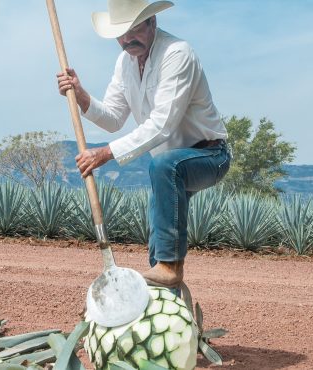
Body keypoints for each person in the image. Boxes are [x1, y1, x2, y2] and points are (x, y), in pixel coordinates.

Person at [57, 0, 229, 288]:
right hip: (170, 167)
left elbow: (162, 124)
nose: (127, 39)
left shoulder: (177, 54)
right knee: (159, 236)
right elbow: (113, 118)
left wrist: (105, 153)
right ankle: (168, 299)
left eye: (134, 29)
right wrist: (82, 95)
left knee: (163, 166)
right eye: (120, 33)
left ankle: (171, 268)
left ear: (152, 23)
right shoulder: (124, 63)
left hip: (210, 155)